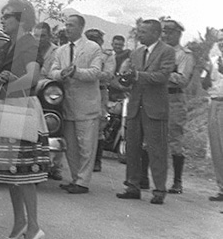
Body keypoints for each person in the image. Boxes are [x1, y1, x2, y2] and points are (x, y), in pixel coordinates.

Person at [0, 0, 49, 239]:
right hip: (7, 106)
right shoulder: (6, 47)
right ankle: (20, 223)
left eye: (7, 16)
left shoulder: (29, 43)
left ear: (21, 19)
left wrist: (9, 83)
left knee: (24, 172)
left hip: (21, 107)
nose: (2, 19)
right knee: (11, 172)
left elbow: (33, 77)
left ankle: (33, 227)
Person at [117, 19, 176, 204]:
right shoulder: (135, 53)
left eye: (143, 32)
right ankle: (133, 186)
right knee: (132, 148)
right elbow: (132, 78)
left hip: (155, 108)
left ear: (155, 33)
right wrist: (125, 78)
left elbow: (163, 76)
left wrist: (137, 76)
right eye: (139, 31)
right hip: (135, 106)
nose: (139, 35)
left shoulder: (167, 51)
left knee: (156, 150)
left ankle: (159, 189)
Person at [48, 15, 103, 194]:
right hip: (68, 105)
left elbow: (95, 73)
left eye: (71, 25)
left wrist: (76, 72)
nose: (67, 28)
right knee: (70, 145)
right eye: (66, 25)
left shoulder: (93, 48)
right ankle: (74, 178)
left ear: (81, 27)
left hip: (87, 105)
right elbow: (52, 71)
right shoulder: (61, 50)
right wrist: (61, 74)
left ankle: (83, 182)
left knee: (86, 146)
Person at [161, 20, 195, 194]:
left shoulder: (184, 55)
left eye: (171, 32)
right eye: (164, 32)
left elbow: (183, 79)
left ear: (179, 34)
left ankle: (177, 181)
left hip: (174, 98)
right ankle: (146, 179)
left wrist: (163, 73)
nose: (166, 35)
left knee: (175, 139)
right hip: (158, 97)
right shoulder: (159, 51)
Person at [33, 21, 63, 180]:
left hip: (51, 95)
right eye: (36, 36)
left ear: (49, 36)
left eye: (42, 36)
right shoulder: (28, 50)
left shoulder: (57, 52)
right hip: (32, 92)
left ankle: (55, 166)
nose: (39, 39)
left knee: (54, 126)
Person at [84, 28, 114, 173]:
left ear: (101, 41)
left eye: (96, 38)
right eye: (90, 37)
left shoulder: (107, 56)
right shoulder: (81, 51)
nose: (93, 40)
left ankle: (97, 161)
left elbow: (108, 74)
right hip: (80, 90)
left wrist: (89, 74)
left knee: (99, 125)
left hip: (99, 90)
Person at [205, 33, 223, 202]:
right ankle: (221, 187)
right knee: (216, 146)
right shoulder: (214, 60)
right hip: (215, 102)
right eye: (221, 41)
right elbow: (206, 83)